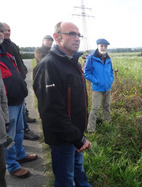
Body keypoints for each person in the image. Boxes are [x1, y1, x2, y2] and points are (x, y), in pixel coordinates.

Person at [33, 21, 91, 187]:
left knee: (77, 169)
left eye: (78, 34)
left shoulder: (72, 62)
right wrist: (77, 138)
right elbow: (52, 112)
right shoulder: (48, 66)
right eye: (71, 34)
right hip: (63, 137)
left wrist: (79, 134)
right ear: (57, 37)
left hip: (75, 132)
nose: (77, 38)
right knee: (65, 179)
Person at [0, 22, 38, 178]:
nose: (2, 33)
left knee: (20, 131)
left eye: (3, 31)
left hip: (19, 99)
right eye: (1, 31)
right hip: (7, 104)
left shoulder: (5, 52)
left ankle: (20, 155)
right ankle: (12, 165)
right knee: (8, 136)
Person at [84, 38, 114, 133]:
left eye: (105, 46)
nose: (103, 47)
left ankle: (107, 124)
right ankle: (91, 129)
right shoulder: (91, 58)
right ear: (98, 46)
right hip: (97, 88)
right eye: (101, 45)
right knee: (95, 108)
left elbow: (111, 71)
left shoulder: (108, 58)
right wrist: (96, 81)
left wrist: (110, 80)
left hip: (107, 87)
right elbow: (86, 73)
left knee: (106, 106)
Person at [0, 26, 9, 187]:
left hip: (1, 123)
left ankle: (14, 163)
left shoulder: (5, 52)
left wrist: (6, 119)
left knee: (1, 168)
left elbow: (2, 96)